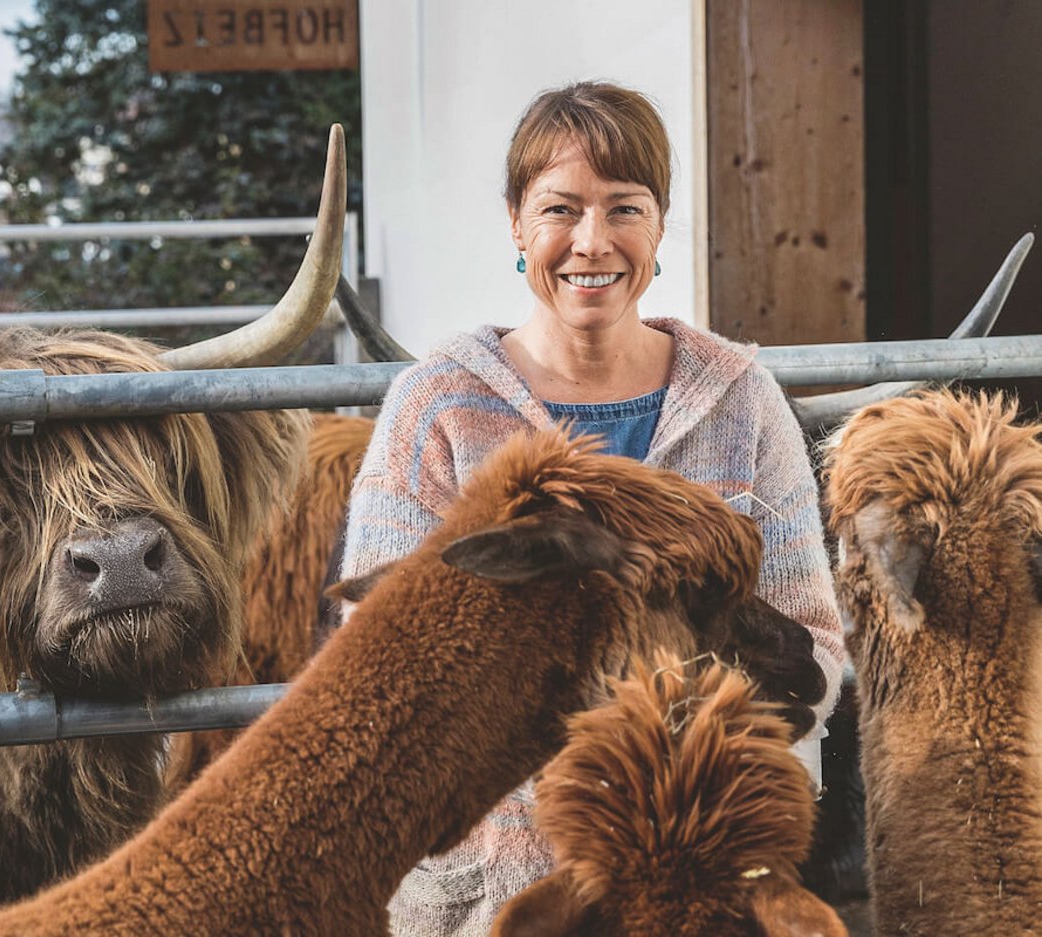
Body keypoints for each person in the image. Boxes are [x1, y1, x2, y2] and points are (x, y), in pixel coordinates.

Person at [336, 81, 845, 935]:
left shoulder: (742, 403)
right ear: (515, 222)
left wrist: (681, 772)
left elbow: (811, 645)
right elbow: (376, 656)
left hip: (690, 894)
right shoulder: (438, 407)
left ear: (660, 222)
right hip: (487, 896)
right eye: (560, 209)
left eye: (624, 208)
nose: (591, 242)